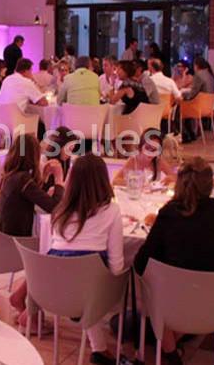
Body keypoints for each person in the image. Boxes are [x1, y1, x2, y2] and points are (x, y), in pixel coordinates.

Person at [134, 157, 214, 365]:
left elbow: (141, 263)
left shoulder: (169, 214)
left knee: (153, 287)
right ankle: (171, 348)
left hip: (175, 307)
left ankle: (169, 352)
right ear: (210, 185)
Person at [48, 153, 125, 365]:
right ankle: (107, 347)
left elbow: (52, 250)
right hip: (90, 293)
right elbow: (117, 266)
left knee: (83, 276)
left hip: (53, 290)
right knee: (99, 277)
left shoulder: (59, 212)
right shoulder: (112, 211)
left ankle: (99, 347)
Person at [0, 134, 64, 237]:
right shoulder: (22, 179)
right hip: (15, 240)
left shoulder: (12, 175)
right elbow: (55, 208)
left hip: (3, 233)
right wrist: (59, 179)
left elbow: (36, 197)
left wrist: (44, 178)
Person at [112, 128, 176, 185]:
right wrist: (134, 183)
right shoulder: (134, 161)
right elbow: (115, 181)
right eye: (148, 148)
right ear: (141, 146)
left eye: (155, 149)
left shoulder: (158, 162)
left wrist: (170, 179)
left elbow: (175, 178)